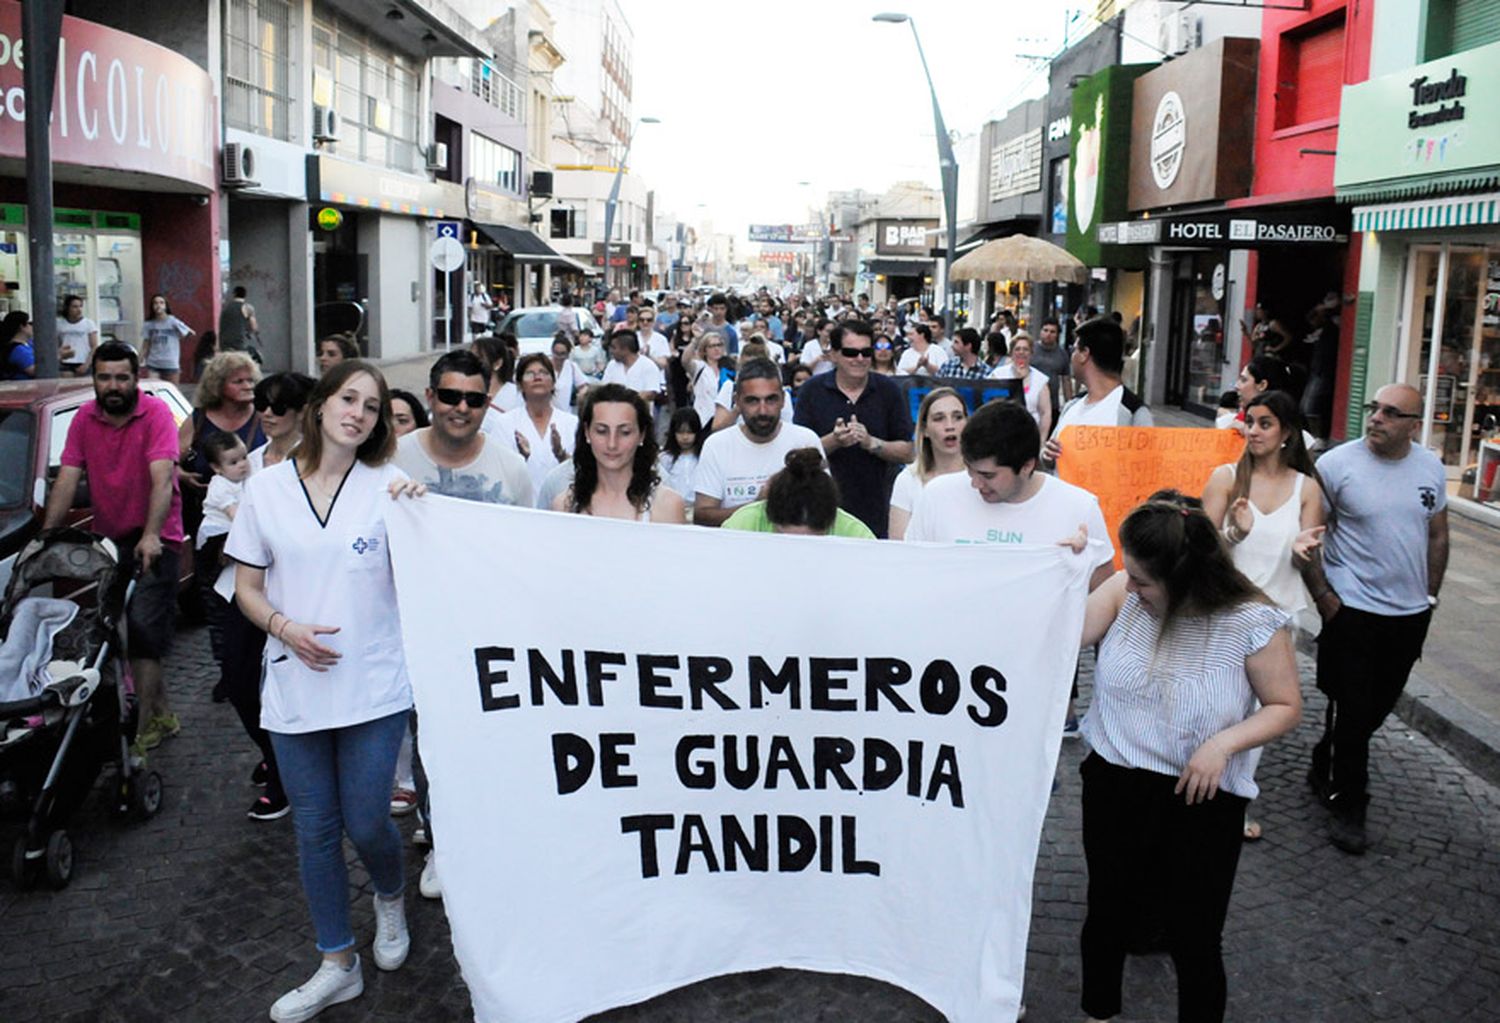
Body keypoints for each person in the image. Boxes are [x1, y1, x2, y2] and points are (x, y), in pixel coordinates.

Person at [228, 360, 417, 1021]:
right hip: (294, 685)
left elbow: (429, 572)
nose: (359, 412)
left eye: (372, 406)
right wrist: (285, 627)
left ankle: (389, 895)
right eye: (348, 398)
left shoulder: (391, 487)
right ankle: (339, 961)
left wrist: (427, 521)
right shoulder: (266, 488)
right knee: (314, 829)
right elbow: (246, 587)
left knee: (368, 819)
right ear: (320, 405)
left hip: (374, 684)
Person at [1075, 492, 1301, 1023]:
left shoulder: (1252, 622)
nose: (1130, 586)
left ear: (1185, 580)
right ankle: (1098, 1013)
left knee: (1194, 936)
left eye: (1143, 582)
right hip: (1115, 782)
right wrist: (1066, 566)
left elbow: (1286, 705)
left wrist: (1223, 744)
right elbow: (1063, 635)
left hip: (1201, 796)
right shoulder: (1123, 591)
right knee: (1107, 914)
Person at [1297, 383, 1448, 855]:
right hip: (1353, 608)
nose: (1376, 418)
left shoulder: (1430, 466)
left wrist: (1430, 595)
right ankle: (1349, 803)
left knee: (1375, 707)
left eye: (1390, 412)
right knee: (1355, 706)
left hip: (1408, 613)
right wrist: (1322, 594)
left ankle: (1327, 757)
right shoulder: (1337, 465)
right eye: (1373, 408)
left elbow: (1438, 535)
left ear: (1412, 424)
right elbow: (1307, 533)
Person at [43, 341, 184, 753]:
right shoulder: (84, 419)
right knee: (118, 633)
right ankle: (163, 712)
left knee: (142, 629)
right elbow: (68, 479)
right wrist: (47, 536)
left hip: (158, 537)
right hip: (110, 539)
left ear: (136, 378)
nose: (113, 385)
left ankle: (139, 731)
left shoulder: (156, 413)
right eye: (104, 377)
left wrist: (152, 534)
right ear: (94, 380)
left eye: (122, 377)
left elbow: (162, 478)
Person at [1201, 390, 1324, 841]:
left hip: (1274, 622)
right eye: (1249, 422)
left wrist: (1302, 554)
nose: (1253, 430)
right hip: (1223, 614)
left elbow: (1304, 561)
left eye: (1265, 423)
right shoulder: (1225, 478)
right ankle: (1200, 788)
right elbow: (1200, 550)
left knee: (1258, 715)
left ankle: (1234, 803)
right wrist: (1235, 530)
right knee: (1216, 709)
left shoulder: (1307, 489)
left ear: (1287, 432)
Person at [223, 371, 316, 819]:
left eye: (279, 406)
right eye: (262, 403)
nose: (267, 413)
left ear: (302, 413)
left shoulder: (315, 464)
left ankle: (284, 777)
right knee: (239, 681)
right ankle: (272, 752)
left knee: (284, 684)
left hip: (297, 594)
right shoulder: (251, 461)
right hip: (242, 588)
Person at [905, 400, 1114, 592]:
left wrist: (1078, 570)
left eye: (988, 475)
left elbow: (1105, 598)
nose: (975, 483)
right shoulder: (938, 495)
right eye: (970, 469)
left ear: (1026, 466)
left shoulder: (1078, 508)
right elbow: (909, 577)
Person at [793, 320, 915, 538]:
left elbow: (907, 451)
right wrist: (834, 441)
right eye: (851, 352)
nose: (860, 359)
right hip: (820, 511)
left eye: (866, 352)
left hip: (877, 508)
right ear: (834, 354)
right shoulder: (812, 391)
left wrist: (871, 443)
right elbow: (796, 454)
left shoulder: (889, 391)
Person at [693, 358, 822, 527]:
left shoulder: (805, 440)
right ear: (737, 401)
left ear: (783, 400)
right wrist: (760, 506)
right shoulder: (717, 445)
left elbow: (825, 509)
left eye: (771, 400)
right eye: (752, 401)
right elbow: (703, 515)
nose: (763, 410)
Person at [396, 349, 533, 507]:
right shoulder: (394, 458)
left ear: (487, 404)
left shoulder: (513, 468)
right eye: (450, 397)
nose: (462, 408)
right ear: (430, 397)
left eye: (474, 399)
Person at [553, 383, 686, 523]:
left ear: (641, 435)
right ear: (587, 432)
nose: (612, 444)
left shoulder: (667, 506)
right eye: (602, 431)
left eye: (625, 432)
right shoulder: (564, 506)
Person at [1043, 317, 1151, 471]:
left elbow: (1145, 467)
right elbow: (1050, 456)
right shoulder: (1072, 405)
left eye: (1075, 350)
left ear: (1084, 354)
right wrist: (1048, 456)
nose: (1072, 357)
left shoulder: (1134, 412)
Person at [722, 448, 875, 538]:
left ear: (831, 521)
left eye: (812, 540)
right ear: (770, 517)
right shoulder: (742, 526)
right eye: (787, 540)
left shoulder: (856, 535)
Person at [888, 387, 966, 541]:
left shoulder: (984, 479)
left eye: (957, 417)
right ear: (925, 430)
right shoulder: (908, 480)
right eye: (939, 418)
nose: (950, 425)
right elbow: (898, 547)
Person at [496, 353, 577, 493]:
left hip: (562, 507)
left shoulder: (572, 423)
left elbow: (583, 472)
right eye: (529, 374)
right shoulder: (504, 423)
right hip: (521, 506)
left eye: (544, 373)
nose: (537, 377)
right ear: (520, 385)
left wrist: (561, 455)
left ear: (553, 383)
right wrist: (522, 458)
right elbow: (498, 473)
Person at [990, 333, 1054, 442]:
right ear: (1011, 353)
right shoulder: (998, 375)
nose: (1021, 352)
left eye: (1025, 349)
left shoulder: (1041, 380)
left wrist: (1042, 441)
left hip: (1030, 436)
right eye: (1017, 349)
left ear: (1031, 353)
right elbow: (991, 404)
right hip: (1002, 435)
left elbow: (1045, 413)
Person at [1219, 355, 1292, 434]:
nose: (1236, 386)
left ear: (1262, 385)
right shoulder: (1242, 417)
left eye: (1244, 380)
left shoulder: (1287, 427)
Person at [601, 327, 665, 405]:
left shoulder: (648, 366)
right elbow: (604, 389)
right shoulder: (611, 365)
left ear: (625, 349)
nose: (611, 351)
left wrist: (627, 402)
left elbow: (651, 393)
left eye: (614, 348)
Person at [681, 324, 728, 430]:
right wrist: (696, 339)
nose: (716, 349)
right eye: (712, 346)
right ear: (705, 350)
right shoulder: (699, 367)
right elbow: (685, 360)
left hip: (725, 421)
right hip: (703, 420)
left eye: (719, 345)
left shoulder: (729, 368)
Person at [142, 293, 195, 384]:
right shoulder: (148, 324)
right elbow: (145, 345)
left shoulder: (173, 321)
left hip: (170, 363)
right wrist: (139, 360)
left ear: (166, 306)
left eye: (161, 303)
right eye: (155, 303)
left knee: (172, 392)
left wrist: (177, 337)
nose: (158, 305)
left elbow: (191, 333)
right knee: (154, 390)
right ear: (152, 306)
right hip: (153, 363)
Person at [659, 407, 705, 501]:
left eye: (689, 432)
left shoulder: (704, 457)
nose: (685, 437)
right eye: (680, 432)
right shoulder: (665, 458)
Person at [1031, 317, 1072, 409]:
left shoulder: (1062, 354)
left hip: (1052, 404)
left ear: (1057, 335)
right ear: (1040, 331)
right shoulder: (1030, 349)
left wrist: (1069, 405)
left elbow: (1066, 381)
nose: (1048, 334)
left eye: (1052, 332)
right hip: (1031, 402)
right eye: (1045, 330)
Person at [56, 295, 99, 376]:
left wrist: (87, 364)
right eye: (75, 307)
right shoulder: (60, 324)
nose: (79, 310)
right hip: (65, 362)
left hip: (83, 361)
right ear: (68, 308)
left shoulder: (88, 323)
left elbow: (94, 346)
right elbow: (56, 343)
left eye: (80, 306)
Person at [218, 285, 261, 360]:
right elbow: (254, 327)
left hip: (224, 343)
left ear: (234, 294)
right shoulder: (248, 307)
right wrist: (250, 332)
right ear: (245, 295)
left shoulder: (226, 307)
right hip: (239, 342)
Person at [547, 334, 585, 412]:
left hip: (566, 413)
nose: (558, 357)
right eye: (556, 353)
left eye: (562, 354)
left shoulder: (572, 367)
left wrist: (582, 394)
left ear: (568, 354)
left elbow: (583, 385)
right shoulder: (544, 366)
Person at [0, 310, 34, 379]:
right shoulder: (18, 350)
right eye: (28, 324)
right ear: (22, 327)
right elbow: (35, 371)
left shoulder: (28, 343)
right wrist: (58, 356)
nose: (31, 327)